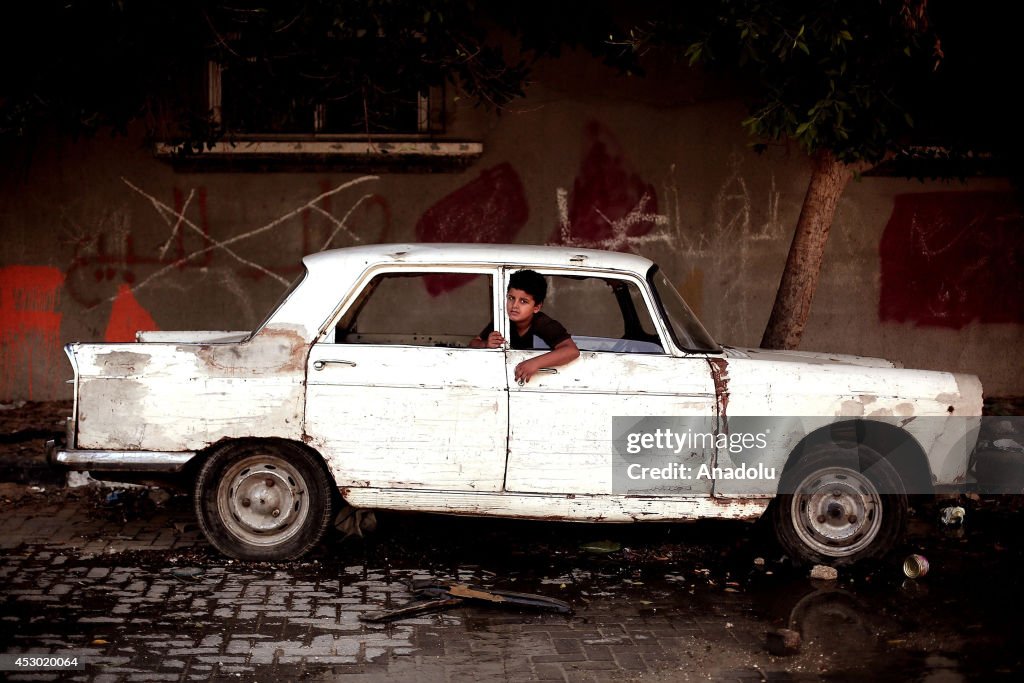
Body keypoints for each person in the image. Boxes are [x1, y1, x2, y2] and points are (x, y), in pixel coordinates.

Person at [469, 270, 580, 383]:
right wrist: (486, 344)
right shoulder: (503, 320)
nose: (514, 306)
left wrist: (535, 363)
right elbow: (473, 343)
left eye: (523, 301)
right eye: (511, 298)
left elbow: (571, 350)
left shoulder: (543, 323)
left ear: (536, 307)